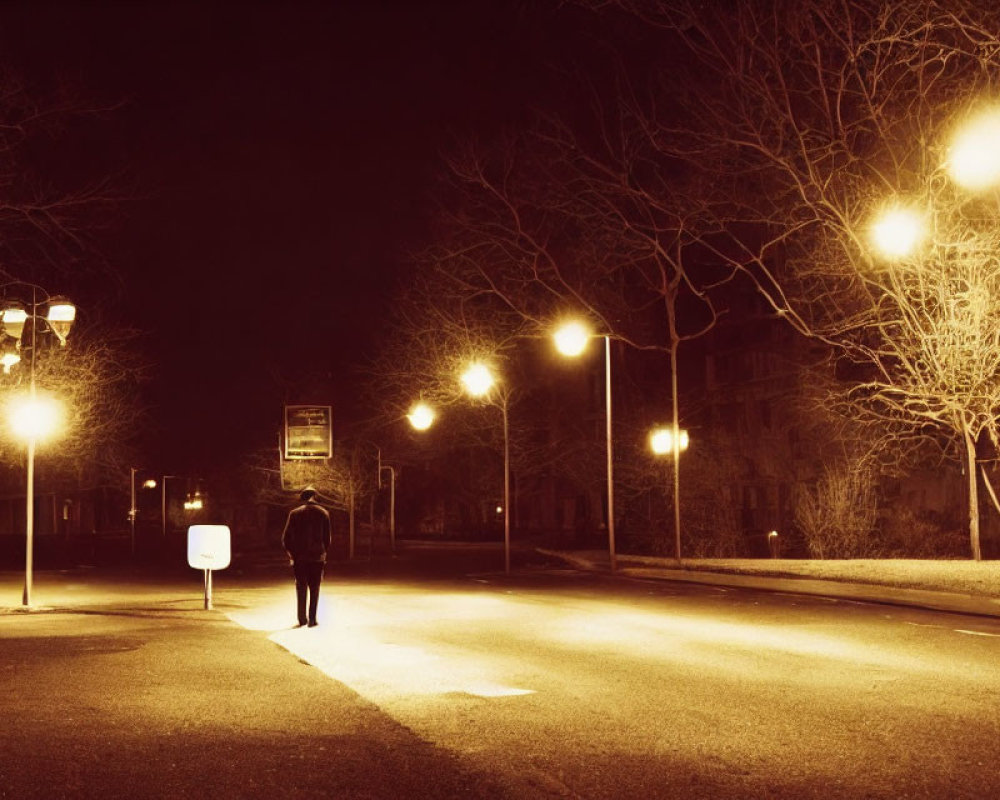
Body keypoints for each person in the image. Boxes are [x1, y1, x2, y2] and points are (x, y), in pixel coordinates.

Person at [281, 486, 332, 627]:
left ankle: (301, 619)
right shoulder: (324, 513)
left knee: (301, 587)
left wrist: (292, 553)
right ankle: (312, 619)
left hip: (300, 558)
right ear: (316, 497)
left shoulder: (294, 514)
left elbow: (285, 539)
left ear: (303, 498)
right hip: (317, 557)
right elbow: (327, 539)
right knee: (315, 588)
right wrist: (322, 552)